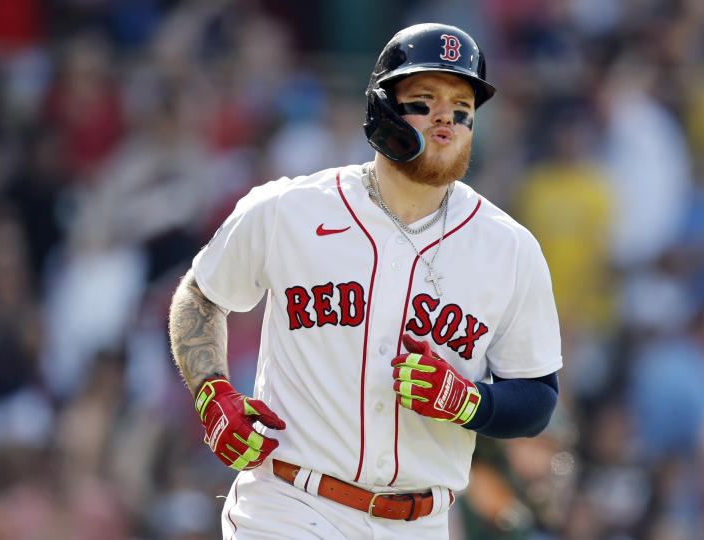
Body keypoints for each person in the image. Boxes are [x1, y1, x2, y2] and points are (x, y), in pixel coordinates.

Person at [168, 22, 562, 539]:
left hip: (420, 522)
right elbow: (200, 294)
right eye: (424, 98)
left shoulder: (509, 249)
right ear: (381, 110)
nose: (446, 115)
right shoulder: (291, 210)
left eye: (462, 105)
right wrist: (211, 392)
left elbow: (537, 398)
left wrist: (471, 402)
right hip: (290, 505)